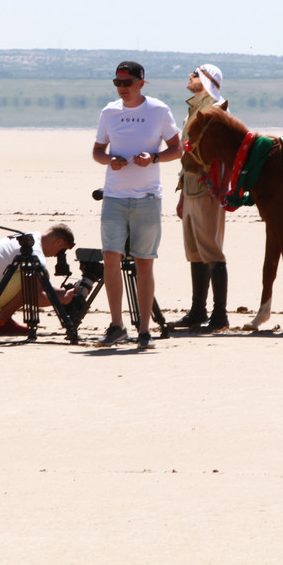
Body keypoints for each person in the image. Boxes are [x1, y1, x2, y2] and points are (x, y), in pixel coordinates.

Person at [92, 61, 181, 349]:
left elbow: (177, 149)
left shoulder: (158, 110)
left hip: (147, 197)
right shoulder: (109, 112)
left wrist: (153, 158)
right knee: (111, 259)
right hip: (115, 196)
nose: (122, 88)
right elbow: (97, 151)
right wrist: (110, 161)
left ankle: (144, 330)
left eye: (127, 83)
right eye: (117, 83)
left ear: (142, 83)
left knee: (144, 262)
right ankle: (116, 325)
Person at [174, 64, 231, 331]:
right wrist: (182, 193)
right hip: (191, 187)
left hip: (208, 188)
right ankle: (198, 311)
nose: (189, 77)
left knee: (211, 251)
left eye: (194, 74)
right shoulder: (196, 108)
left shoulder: (216, 111)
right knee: (195, 253)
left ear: (205, 80)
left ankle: (220, 315)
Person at [0, 225, 76, 335]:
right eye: (61, 250)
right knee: (33, 277)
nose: (57, 255)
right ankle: (0, 323)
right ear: (58, 242)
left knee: (34, 276)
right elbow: (35, 297)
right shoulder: (33, 251)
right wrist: (63, 299)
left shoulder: (30, 237)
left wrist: (63, 292)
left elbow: (40, 288)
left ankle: (3, 320)